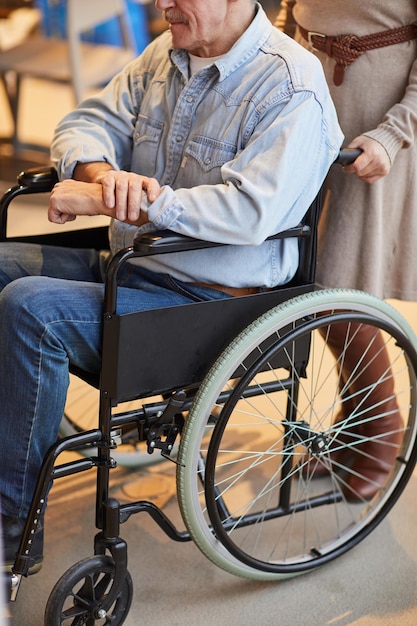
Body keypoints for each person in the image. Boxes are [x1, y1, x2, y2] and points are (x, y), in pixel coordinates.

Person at [0, 0, 342, 574]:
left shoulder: (292, 86)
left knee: (29, 310)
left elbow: (250, 211)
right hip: (132, 265)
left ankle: (10, 525)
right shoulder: (168, 52)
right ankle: (21, 431)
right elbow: (85, 123)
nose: (162, 5)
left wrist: (146, 201)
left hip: (210, 303)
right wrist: (103, 180)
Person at [275, 1, 417, 499]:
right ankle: (355, 417)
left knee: (335, 287)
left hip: (376, 127)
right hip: (303, 105)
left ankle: (381, 430)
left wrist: (395, 132)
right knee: (297, 272)